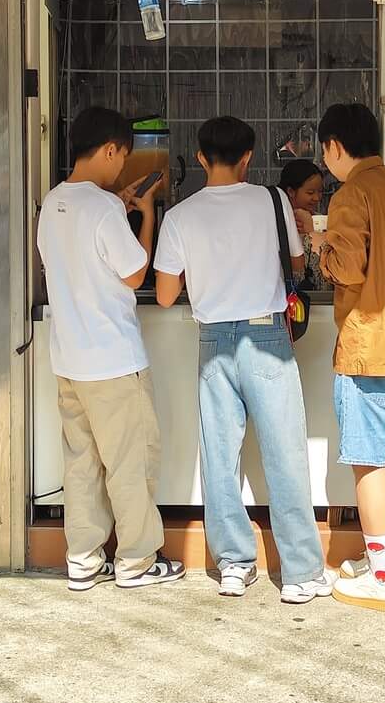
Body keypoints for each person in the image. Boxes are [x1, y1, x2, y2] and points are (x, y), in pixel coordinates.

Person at [154, 117, 328, 604]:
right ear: (249, 157)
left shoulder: (181, 217)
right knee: (286, 454)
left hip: (214, 342)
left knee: (219, 455)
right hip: (267, 335)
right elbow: (296, 265)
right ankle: (300, 572)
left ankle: (233, 564)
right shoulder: (273, 200)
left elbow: (166, 296)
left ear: (203, 158)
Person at [37, 106, 182, 591]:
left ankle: (82, 559)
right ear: (111, 150)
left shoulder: (53, 203)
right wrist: (143, 215)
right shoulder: (102, 209)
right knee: (129, 464)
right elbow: (135, 272)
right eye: (123, 157)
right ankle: (138, 561)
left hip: (70, 360)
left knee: (82, 464)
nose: (125, 167)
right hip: (115, 362)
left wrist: (117, 206)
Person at [308, 103, 385, 614]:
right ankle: (382, 558)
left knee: (367, 461)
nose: (326, 161)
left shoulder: (349, 193)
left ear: (336, 147)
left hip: (367, 345)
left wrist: (320, 244)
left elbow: (349, 271)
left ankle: (384, 578)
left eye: (325, 152)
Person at [277, 158, 324, 280]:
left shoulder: (322, 221)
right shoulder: (276, 221)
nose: (317, 198)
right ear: (291, 191)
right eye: (310, 192)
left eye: (320, 192)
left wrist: (313, 228)